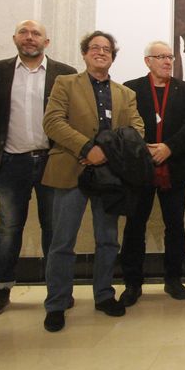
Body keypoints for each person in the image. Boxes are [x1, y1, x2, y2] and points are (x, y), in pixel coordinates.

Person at [40, 31, 143, 332]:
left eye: (107, 49)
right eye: (95, 48)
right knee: (62, 242)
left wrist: (105, 153)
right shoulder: (65, 84)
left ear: (113, 56)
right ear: (84, 54)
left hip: (109, 176)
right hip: (71, 170)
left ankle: (104, 295)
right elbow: (53, 122)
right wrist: (87, 148)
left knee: (108, 239)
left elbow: (136, 131)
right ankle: (57, 303)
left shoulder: (125, 94)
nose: (101, 52)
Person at [0, 19, 76, 317]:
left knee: (54, 228)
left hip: (51, 161)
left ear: (47, 42)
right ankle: (1, 287)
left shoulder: (65, 73)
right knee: (9, 227)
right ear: (14, 38)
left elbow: (72, 119)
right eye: (24, 32)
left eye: (36, 34)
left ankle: (56, 289)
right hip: (10, 162)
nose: (29, 37)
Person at [119, 41, 185, 305]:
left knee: (175, 227)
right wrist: (144, 148)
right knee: (134, 227)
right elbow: (123, 125)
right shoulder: (131, 89)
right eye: (161, 57)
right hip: (139, 169)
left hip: (173, 166)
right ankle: (132, 283)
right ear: (147, 61)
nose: (167, 61)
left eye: (170, 57)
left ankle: (173, 279)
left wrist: (168, 147)